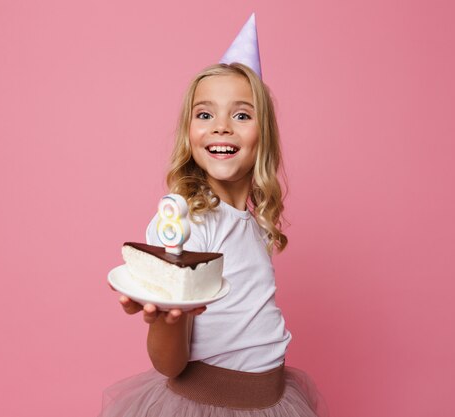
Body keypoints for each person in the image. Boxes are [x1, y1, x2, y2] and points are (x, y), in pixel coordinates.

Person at [100, 15, 328, 417]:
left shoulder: (253, 222)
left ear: (264, 137)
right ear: (189, 134)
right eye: (205, 115)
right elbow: (169, 364)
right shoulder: (189, 222)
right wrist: (166, 318)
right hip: (210, 404)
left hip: (271, 398)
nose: (221, 127)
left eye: (241, 115)